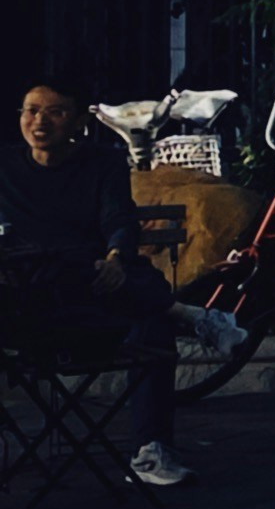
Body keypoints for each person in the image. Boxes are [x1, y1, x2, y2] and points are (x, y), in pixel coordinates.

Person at [0, 80, 186, 485]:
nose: (39, 122)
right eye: (31, 110)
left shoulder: (102, 164)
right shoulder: (5, 169)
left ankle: (151, 450)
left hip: (94, 299)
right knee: (72, 269)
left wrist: (117, 258)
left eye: (55, 112)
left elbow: (118, 221)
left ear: (80, 121)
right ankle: (192, 315)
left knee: (148, 314)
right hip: (28, 305)